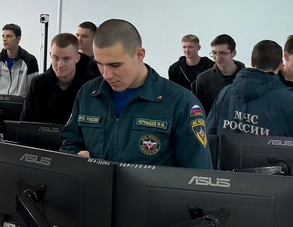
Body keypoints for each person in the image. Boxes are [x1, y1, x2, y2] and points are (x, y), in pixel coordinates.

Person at [61, 19, 211, 169]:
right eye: (99, 64)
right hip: (97, 183)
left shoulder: (181, 103)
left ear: (139, 55)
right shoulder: (88, 93)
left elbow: (197, 174)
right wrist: (75, 155)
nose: (106, 75)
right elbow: (69, 142)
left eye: (115, 65)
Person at [206, 40, 293, 139]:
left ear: (252, 61)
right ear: (280, 64)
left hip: (226, 158)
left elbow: (208, 134)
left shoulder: (226, 93)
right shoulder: (291, 102)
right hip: (271, 159)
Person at [21, 33, 91, 125]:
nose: (60, 65)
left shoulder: (90, 86)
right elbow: (25, 124)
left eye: (66, 59)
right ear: (50, 55)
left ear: (77, 58)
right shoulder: (37, 83)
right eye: (56, 58)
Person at [193, 34, 243, 114]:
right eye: (214, 53)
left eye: (222, 53)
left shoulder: (247, 78)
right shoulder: (204, 79)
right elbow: (200, 112)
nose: (218, 57)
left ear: (233, 53)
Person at [0, 23, 39, 95]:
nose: (4, 39)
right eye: (3, 36)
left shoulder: (29, 60)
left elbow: (32, 89)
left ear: (18, 39)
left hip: (21, 101)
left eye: (9, 36)